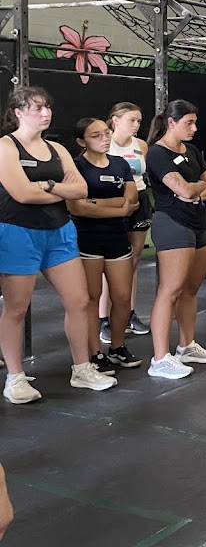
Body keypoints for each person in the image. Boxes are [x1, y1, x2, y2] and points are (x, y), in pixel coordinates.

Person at [0, 86, 117, 403]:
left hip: (59, 231)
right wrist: (59, 189)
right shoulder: (6, 147)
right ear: (18, 112)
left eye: (47, 107)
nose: (46, 113)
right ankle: (15, 378)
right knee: (16, 308)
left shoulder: (57, 149)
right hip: (18, 233)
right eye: (37, 108)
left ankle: (82, 369)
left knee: (79, 301)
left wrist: (47, 185)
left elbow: (81, 189)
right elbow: (22, 194)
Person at [145, 100, 206, 379]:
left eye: (194, 122)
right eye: (189, 123)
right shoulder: (157, 153)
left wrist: (195, 189)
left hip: (200, 223)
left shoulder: (192, 150)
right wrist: (196, 189)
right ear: (171, 123)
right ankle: (159, 359)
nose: (194, 128)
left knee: (190, 289)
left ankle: (186, 346)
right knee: (170, 290)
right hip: (173, 224)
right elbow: (187, 190)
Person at [67, 118, 142, 372]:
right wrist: (118, 208)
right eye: (96, 135)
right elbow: (77, 207)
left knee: (122, 296)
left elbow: (131, 199)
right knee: (92, 297)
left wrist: (96, 204)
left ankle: (118, 347)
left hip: (117, 237)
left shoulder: (120, 164)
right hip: (87, 237)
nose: (105, 138)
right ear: (81, 141)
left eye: (107, 133)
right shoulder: (76, 166)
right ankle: (95, 353)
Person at [100, 102, 151, 344]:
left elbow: (143, 176)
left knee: (133, 260)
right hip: (113, 202)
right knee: (110, 261)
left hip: (139, 200)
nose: (136, 124)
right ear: (115, 120)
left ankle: (129, 313)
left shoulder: (141, 145)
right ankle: (104, 319)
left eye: (139, 121)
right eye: (132, 120)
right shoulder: (104, 144)